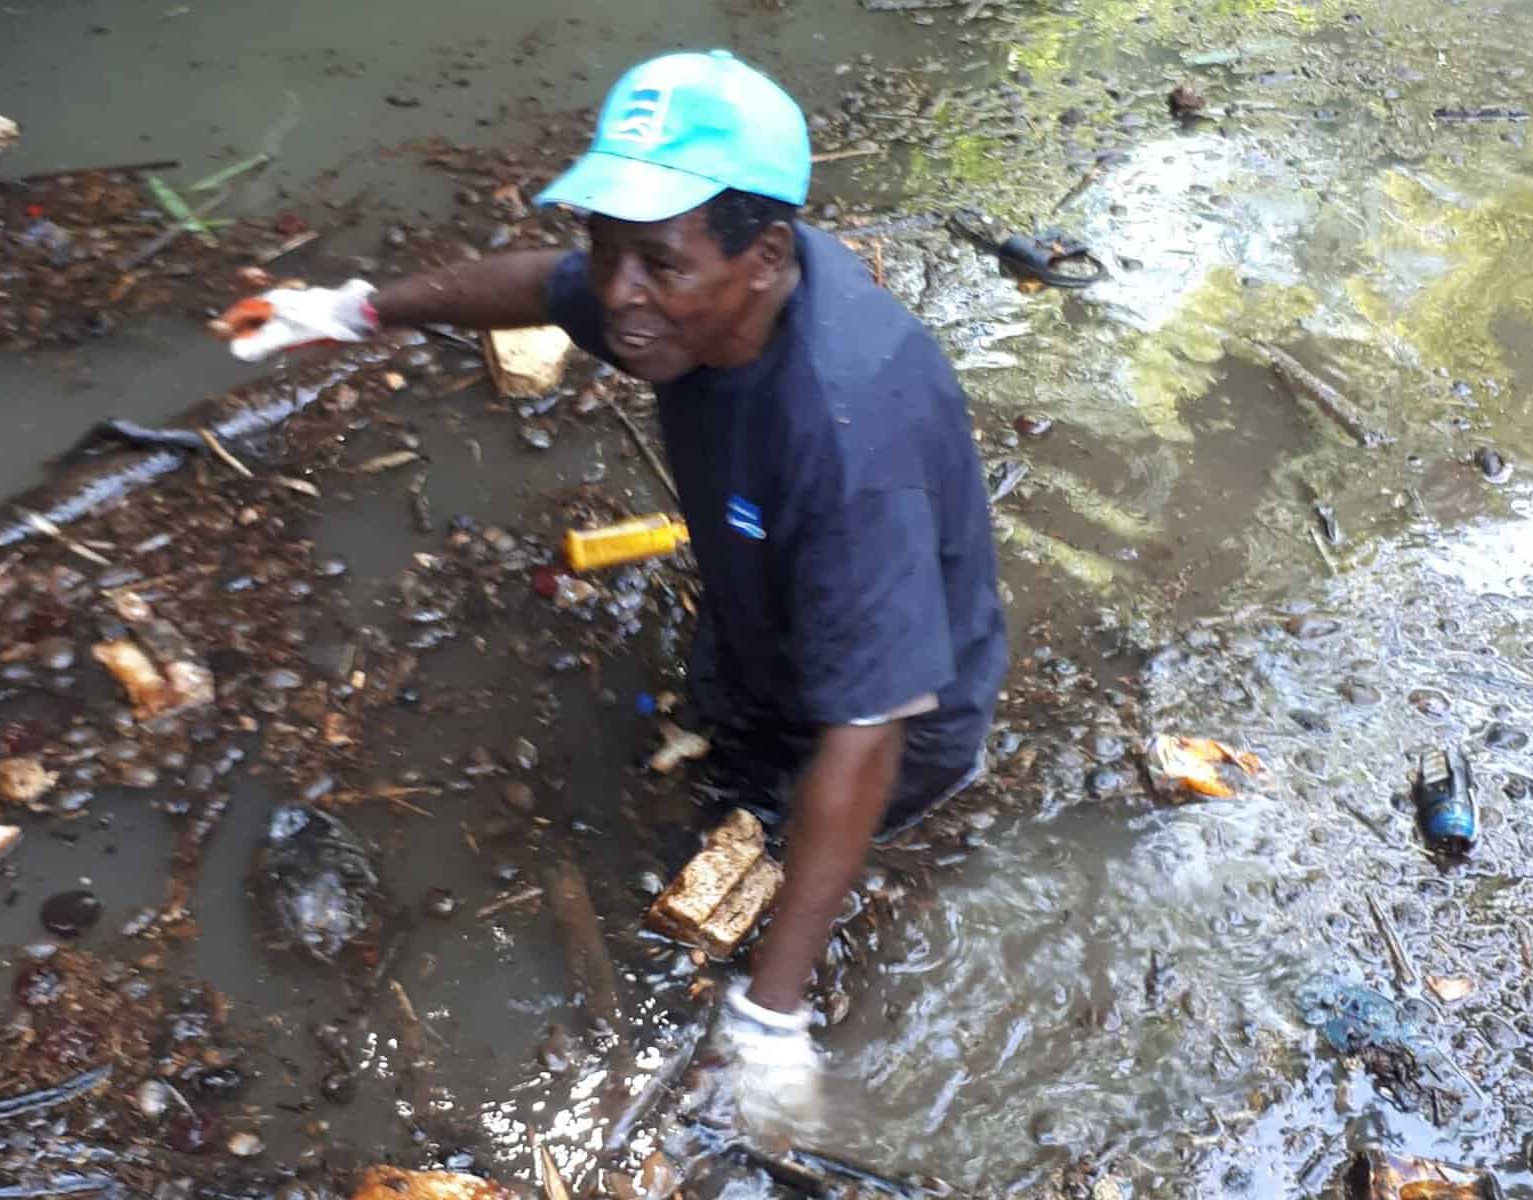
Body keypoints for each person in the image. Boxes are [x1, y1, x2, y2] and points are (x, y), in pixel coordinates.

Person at [218, 49, 1006, 1132]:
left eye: (652, 263)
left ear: (765, 257)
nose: (612, 293)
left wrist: (772, 1014)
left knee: (782, 828)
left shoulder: (842, 431)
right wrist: (351, 312)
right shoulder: (675, 296)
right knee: (723, 750)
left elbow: (867, 733)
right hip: (758, 622)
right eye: (605, 243)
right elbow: (536, 283)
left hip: (893, 724)